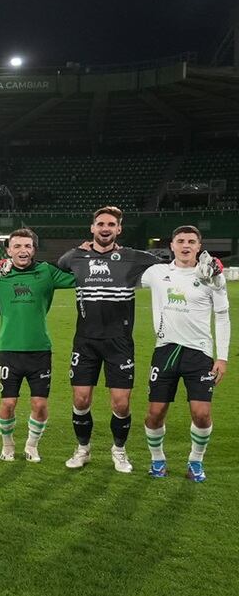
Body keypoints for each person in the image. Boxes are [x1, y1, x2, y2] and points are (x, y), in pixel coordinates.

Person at [55, 206, 161, 473]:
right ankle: (83, 449)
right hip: (85, 341)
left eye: (111, 224)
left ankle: (119, 451)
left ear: (118, 229)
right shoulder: (74, 257)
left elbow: (170, 269)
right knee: (80, 400)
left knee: (121, 403)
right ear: (92, 228)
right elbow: (55, 269)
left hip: (119, 342)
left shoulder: (134, 258)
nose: (105, 228)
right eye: (100, 223)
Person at [139, 226, 227, 482]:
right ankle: (157, 461)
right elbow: (124, 268)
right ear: (172, 245)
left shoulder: (213, 277)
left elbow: (222, 317)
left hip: (199, 354)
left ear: (199, 247)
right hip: (165, 351)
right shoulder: (157, 273)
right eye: (180, 241)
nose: (185, 245)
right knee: (154, 414)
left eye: (191, 241)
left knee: (201, 414)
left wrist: (222, 357)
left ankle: (196, 461)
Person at [0, 229, 77, 462]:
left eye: (27, 246)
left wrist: (82, 252)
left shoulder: (46, 272)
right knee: (8, 403)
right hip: (9, 349)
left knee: (39, 404)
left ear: (34, 250)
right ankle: (7, 445)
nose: (22, 250)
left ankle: (31, 445)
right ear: (8, 250)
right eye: (17, 246)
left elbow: (78, 276)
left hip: (40, 349)